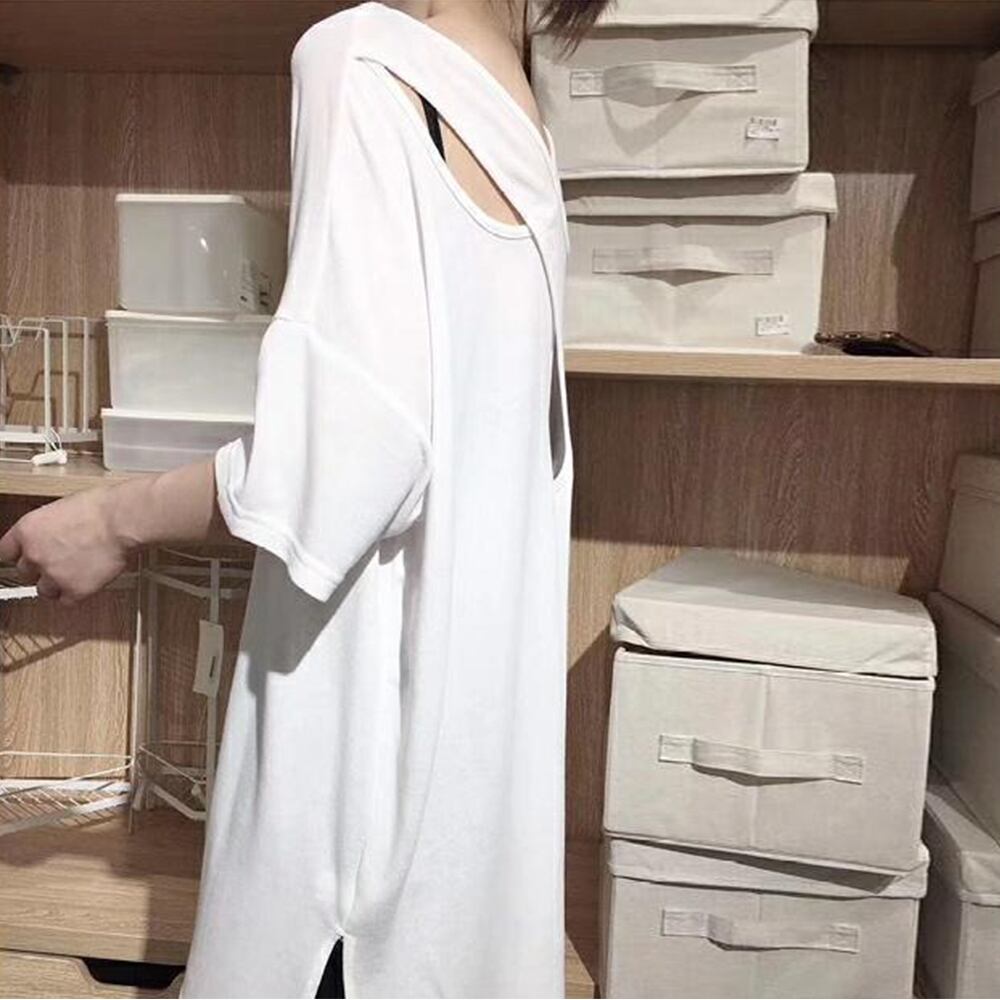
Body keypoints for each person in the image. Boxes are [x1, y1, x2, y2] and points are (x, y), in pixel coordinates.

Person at [0, 1, 610, 996]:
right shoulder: (521, 119)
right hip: (462, 878)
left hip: (348, 875)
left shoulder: (363, 57)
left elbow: (348, 455)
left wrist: (111, 518)